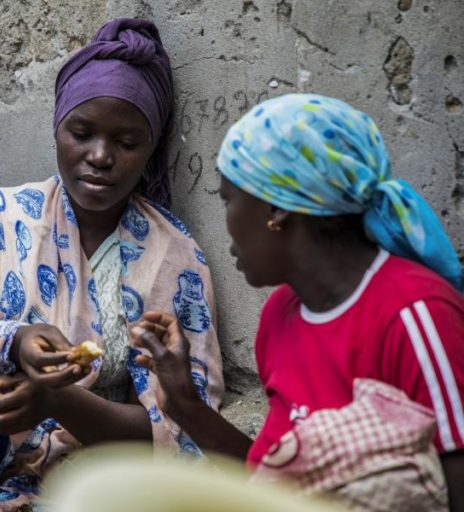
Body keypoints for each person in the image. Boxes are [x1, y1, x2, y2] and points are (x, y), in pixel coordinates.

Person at [0, 18, 224, 511]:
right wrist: (13, 341)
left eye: (127, 142)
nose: (100, 156)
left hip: (99, 485)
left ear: (152, 148)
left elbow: (177, 428)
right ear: (57, 128)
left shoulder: (175, 258)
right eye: (82, 132)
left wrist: (59, 401)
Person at [130, 94, 464, 510]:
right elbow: (277, 485)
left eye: (229, 199)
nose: (227, 221)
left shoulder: (415, 315)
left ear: (276, 210)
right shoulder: (281, 314)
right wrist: (184, 404)